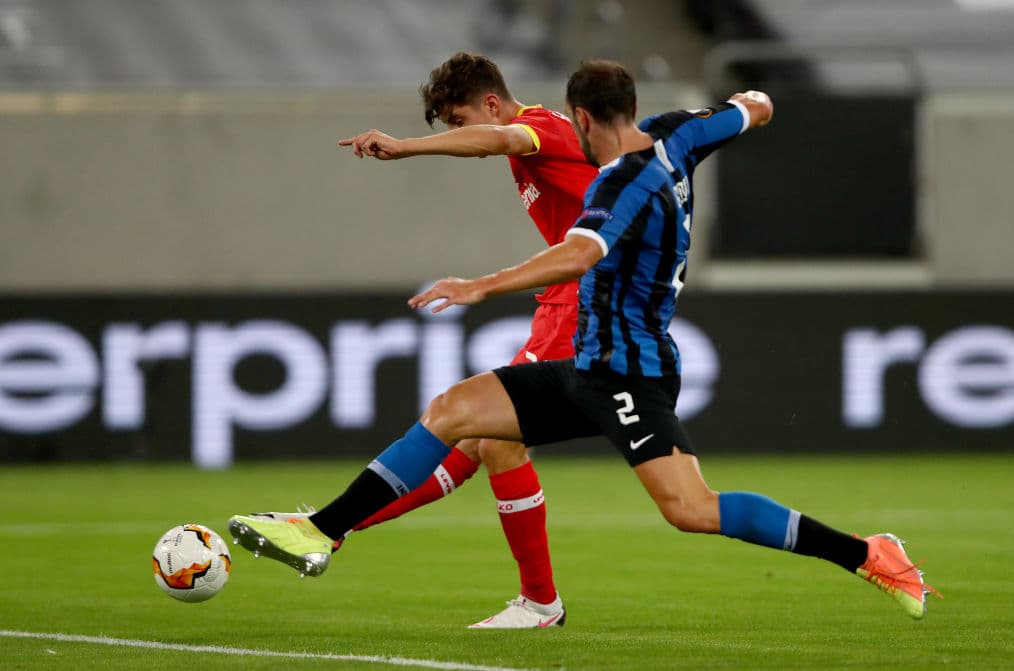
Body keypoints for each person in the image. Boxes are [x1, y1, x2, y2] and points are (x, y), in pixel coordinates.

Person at [229, 60, 940, 622]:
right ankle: (323, 528)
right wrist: (750, 106)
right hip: (588, 364)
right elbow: (752, 107)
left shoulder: (620, 183)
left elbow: (578, 253)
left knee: (691, 510)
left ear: (579, 117)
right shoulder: (676, 134)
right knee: (454, 412)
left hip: (628, 372)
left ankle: (868, 552)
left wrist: (479, 286)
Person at [257, 52, 597, 629]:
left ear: (491, 103)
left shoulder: (538, 129)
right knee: (480, 439)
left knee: (484, 433)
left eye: (460, 120)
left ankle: (329, 529)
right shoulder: (541, 137)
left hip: (582, 307)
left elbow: (499, 139)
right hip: (565, 305)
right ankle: (333, 528)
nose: (461, 132)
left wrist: (407, 146)